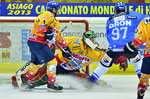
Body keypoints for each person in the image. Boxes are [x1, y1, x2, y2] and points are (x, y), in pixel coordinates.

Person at [15, 1, 72, 91]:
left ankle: (26, 81)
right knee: (52, 61)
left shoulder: (55, 21)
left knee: (36, 63)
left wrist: (65, 48)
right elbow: (38, 23)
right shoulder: (48, 14)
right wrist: (45, 32)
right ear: (53, 9)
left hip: (35, 42)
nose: (58, 11)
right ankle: (51, 84)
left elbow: (59, 37)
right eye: (57, 9)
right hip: (38, 41)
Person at [88, 2, 147, 83]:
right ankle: (143, 82)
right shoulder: (132, 15)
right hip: (128, 47)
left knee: (103, 66)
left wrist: (113, 47)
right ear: (124, 9)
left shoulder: (110, 20)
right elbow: (146, 19)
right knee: (138, 62)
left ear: (115, 11)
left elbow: (109, 35)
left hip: (113, 48)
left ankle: (90, 81)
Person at [124, 17, 150, 99]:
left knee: (144, 77)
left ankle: (141, 93)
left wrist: (131, 46)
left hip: (148, 55)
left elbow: (139, 40)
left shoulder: (146, 21)